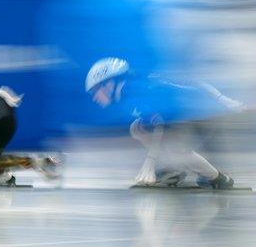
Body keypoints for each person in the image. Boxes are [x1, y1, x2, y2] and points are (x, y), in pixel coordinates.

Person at [84, 57, 239, 188]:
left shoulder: (132, 96)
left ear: (109, 84)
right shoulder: (129, 90)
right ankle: (173, 170)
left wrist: (150, 162)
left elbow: (159, 124)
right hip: (189, 111)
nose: (94, 97)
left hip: (198, 112)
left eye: (95, 90)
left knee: (177, 151)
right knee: (137, 128)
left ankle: (219, 179)